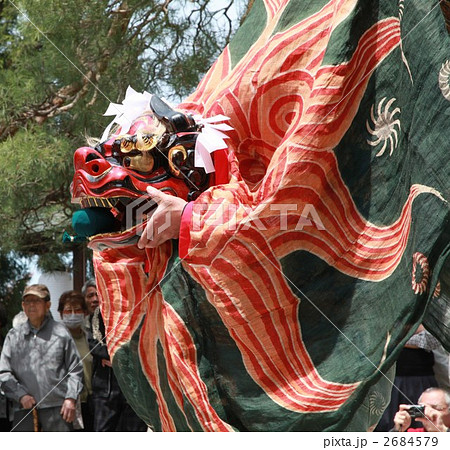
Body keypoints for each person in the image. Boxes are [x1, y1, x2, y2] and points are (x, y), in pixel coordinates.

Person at [0, 284, 83, 431]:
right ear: (23, 306)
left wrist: (70, 398)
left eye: (37, 300)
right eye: (28, 301)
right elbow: (4, 373)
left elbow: (75, 370)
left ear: (47, 305)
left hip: (58, 410)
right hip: (24, 410)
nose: (31, 305)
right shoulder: (13, 336)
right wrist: (21, 395)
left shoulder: (61, 333)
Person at [88, 305, 147, 431]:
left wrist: (118, 360)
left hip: (135, 387)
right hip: (106, 388)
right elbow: (94, 343)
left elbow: (144, 343)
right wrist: (114, 357)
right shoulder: (99, 312)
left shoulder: (140, 307)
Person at [58, 290, 94, 431]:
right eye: (68, 310)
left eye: (77, 310)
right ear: (61, 313)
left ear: (84, 313)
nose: (73, 314)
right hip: (67, 404)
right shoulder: (56, 339)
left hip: (90, 403)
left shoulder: (90, 337)